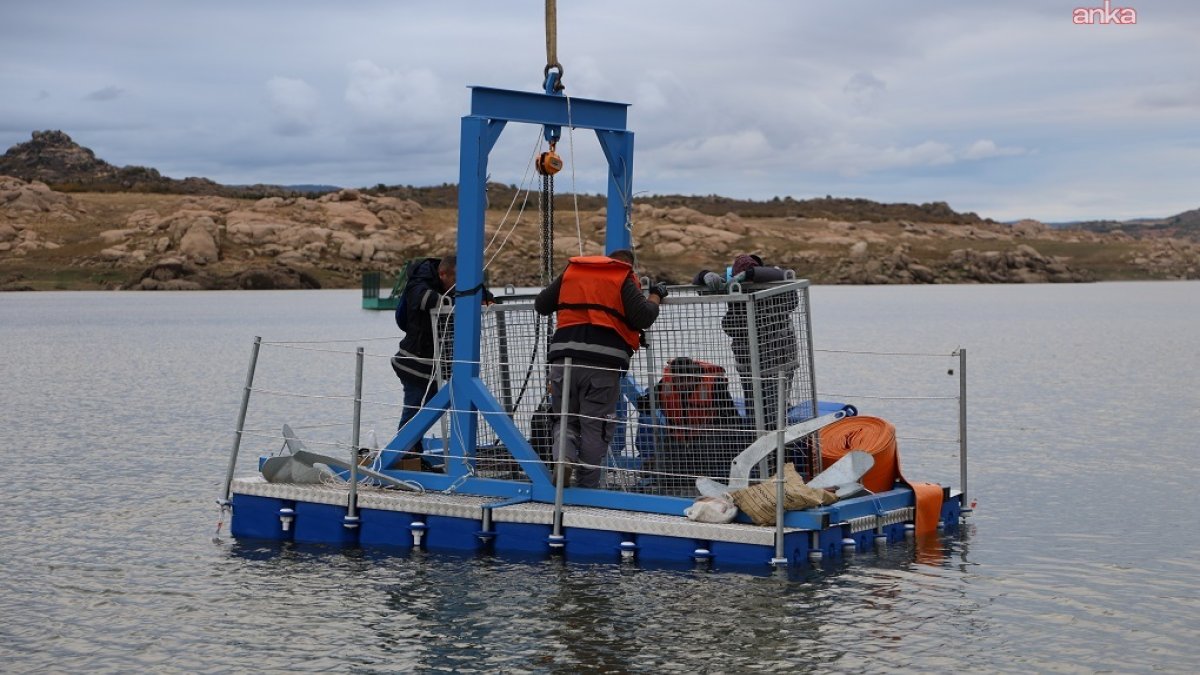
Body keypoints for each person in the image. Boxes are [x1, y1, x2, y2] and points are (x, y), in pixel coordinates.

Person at [535, 249, 665, 488]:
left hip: (562, 360)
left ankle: (563, 458)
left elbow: (542, 305)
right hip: (602, 364)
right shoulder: (621, 277)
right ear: (628, 266)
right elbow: (644, 317)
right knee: (596, 426)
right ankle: (588, 486)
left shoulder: (573, 271)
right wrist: (656, 295)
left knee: (564, 420)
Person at [390, 255, 484, 462]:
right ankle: (403, 454)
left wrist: (483, 295)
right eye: (458, 279)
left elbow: (471, 290)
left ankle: (411, 451)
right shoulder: (418, 283)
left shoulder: (446, 284)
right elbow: (425, 300)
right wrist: (461, 302)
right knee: (415, 410)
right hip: (414, 362)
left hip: (433, 365)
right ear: (443, 274)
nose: (461, 285)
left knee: (423, 409)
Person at [714, 254, 799, 430]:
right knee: (753, 405)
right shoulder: (731, 281)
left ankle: (776, 446)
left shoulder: (775, 278)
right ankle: (759, 442)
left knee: (775, 407)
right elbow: (699, 283)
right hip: (747, 360)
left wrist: (750, 275)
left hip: (779, 358)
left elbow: (792, 297)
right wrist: (705, 276)